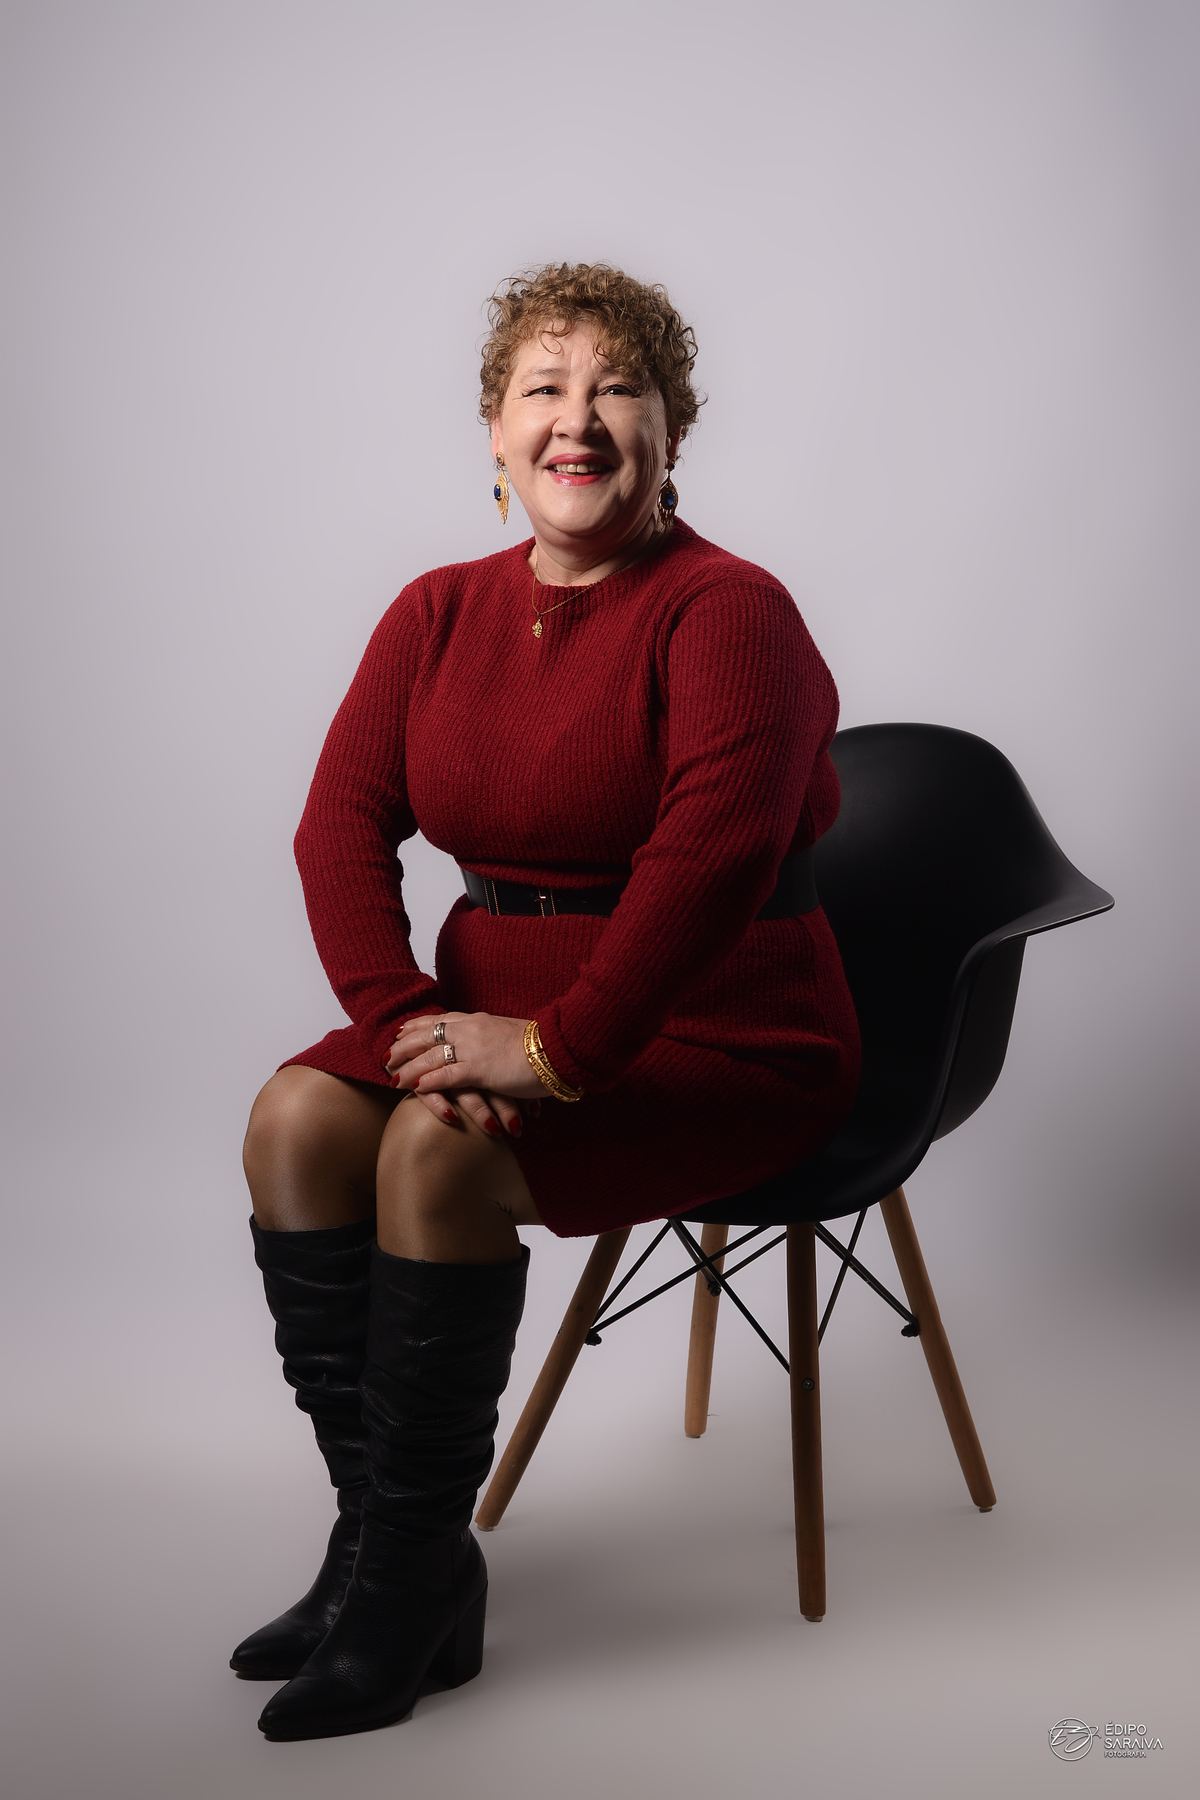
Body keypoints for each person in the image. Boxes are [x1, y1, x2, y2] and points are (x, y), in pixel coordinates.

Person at [233, 263, 860, 1741]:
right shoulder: (436, 610)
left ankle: (400, 1588)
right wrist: (404, 1025)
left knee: (432, 1153)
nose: (578, 422)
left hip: (723, 1026)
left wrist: (556, 1053)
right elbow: (337, 828)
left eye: (618, 389)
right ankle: (393, 1548)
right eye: (545, 389)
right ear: (496, 431)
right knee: (296, 1120)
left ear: (670, 431)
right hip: (477, 1010)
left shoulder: (730, 611)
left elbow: (712, 861)